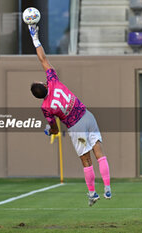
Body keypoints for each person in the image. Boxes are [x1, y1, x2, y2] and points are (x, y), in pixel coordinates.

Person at [28, 24, 111, 206]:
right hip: (88, 116)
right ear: (43, 84)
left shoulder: (46, 107)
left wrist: (49, 130)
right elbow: (43, 59)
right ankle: (107, 188)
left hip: (76, 127)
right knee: (99, 153)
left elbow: (56, 129)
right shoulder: (53, 81)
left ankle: (92, 194)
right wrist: (35, 39)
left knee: (86, 160)